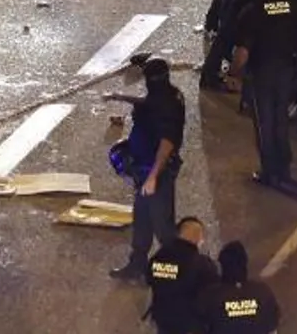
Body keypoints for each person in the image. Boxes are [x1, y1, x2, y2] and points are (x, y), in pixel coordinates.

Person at [105, 57, 186, 281]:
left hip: (157, 173)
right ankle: (137, 265)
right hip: (144, 170)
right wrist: (120, 97)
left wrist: (152, 177)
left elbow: (167, 143)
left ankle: (179, 273)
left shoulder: (167, 104)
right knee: (142, 219)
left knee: (163, 227)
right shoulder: (166, 95)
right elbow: (148, 103)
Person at [231, 0, 297, 187]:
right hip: (287, 70)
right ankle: (284, 168)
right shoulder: (293, 6)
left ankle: (270, 172)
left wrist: (233, 73)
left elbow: (242, 53)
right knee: (280, 120)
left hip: (263, 73)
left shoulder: (252, 11)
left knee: (264, 122)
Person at [146, 216, 219, 334]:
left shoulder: (158, 257)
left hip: (163, 320)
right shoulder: (202, 264)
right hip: (190, 325)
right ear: (198, 238)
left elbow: (149, 280)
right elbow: (213, 295)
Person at [197, 241, 281, 334]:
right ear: (245, 263)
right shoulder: (263, 292)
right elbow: (272, 329)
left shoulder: (210, 297)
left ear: (222, 265)